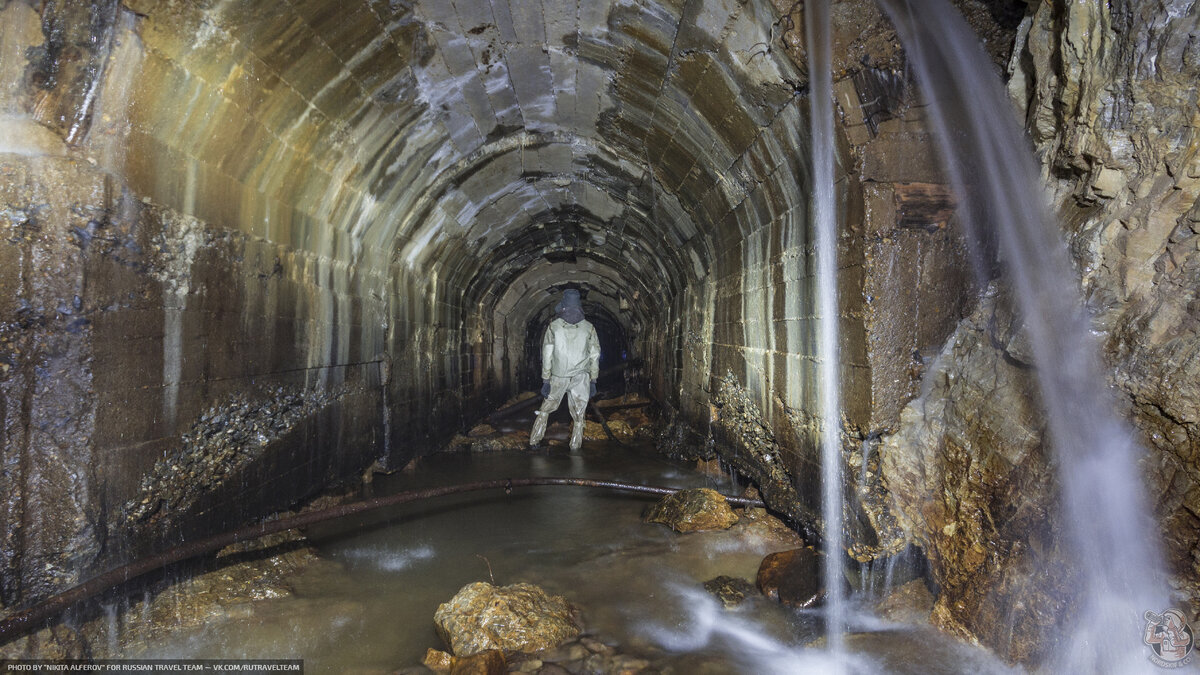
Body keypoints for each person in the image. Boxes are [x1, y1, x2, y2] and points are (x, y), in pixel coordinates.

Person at [529, 289, 600, 452]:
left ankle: (534, 441)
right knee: (579, 415)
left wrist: (546, 380)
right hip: (581, 377)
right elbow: (594, 356)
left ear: (563, 306)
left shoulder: (553, 327)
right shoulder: (589, 328)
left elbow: (547, 355)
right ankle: (575, 447)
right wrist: (593, 380)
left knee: (546, 409)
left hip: (558, 376)